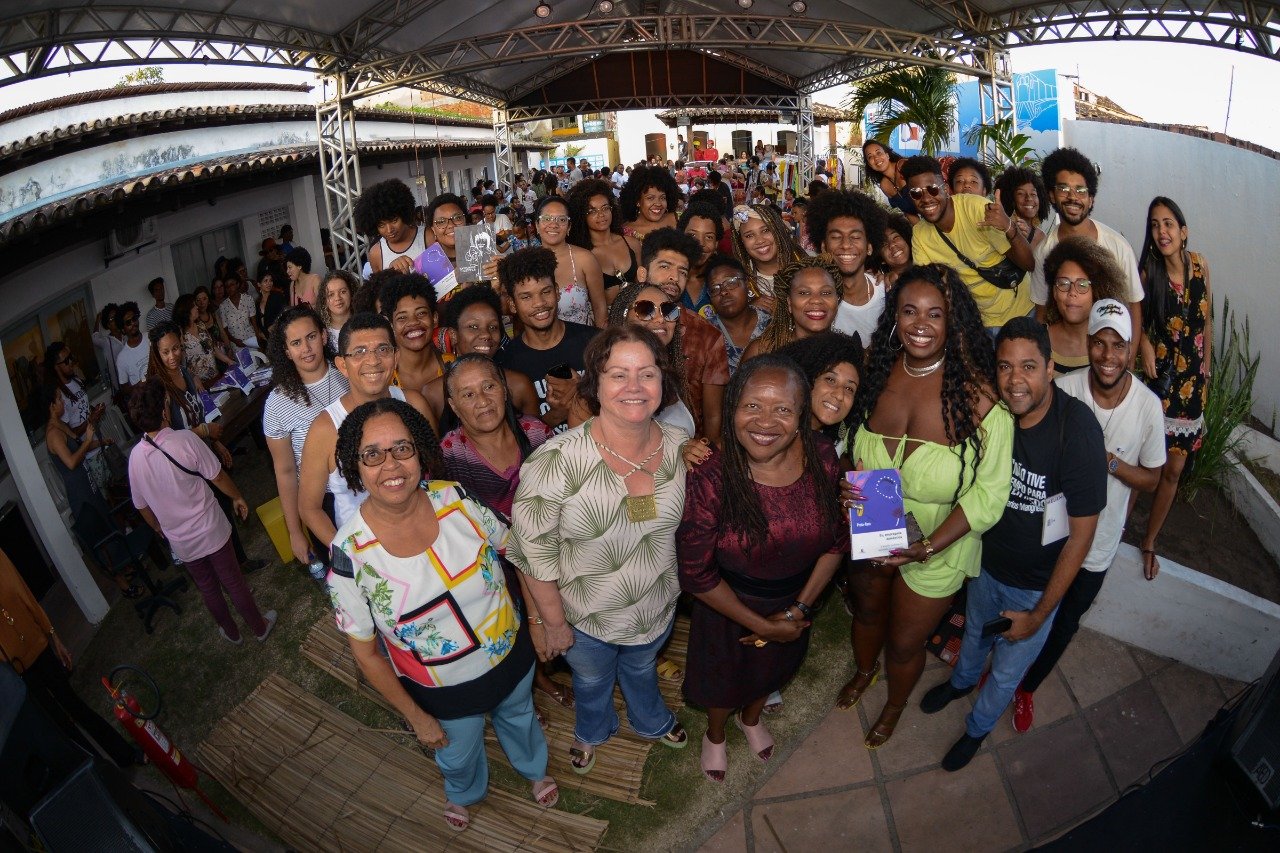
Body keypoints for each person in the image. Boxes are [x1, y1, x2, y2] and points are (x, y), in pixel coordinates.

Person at [326, 397, 556, 830]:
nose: (391, 465)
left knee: (519, 715)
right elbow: (367, 654)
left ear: (420, 452)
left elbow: (518, 553)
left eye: (402, 448)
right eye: (372, 454)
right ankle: (464, 791)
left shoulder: (456, 499)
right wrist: (415, 717)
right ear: (354, 466)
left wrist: (540, 622)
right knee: (456, 748)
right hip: (440, 689)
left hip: (511, 654)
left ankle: (533, 767)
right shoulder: (349, 556)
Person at [838, 263, 1013, 749]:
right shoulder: (874, 370)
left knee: (905, 640)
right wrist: (845, 480)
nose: (920, 323)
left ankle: (894, 704)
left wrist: (928, 546)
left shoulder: (981, 398)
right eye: (909, 310)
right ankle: (863, 670)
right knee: (868, 615)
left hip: (939, 544)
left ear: (953, 322)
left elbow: (989, 495)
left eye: (935, 314)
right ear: (894, 316)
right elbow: (846, 438)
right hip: (872, 523)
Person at [919, 318, 1106, 769]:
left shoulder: (1077, 431)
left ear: (1050, 368)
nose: (1015, 380)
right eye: (1005, 367)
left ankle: (977, 729)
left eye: (1027, 367)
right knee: (974, 637)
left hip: (1035, 589)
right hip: (986, 566)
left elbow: (1081, 536)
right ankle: (961, 682)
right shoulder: (996, 414)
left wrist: (1040, 614)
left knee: (1005, 674)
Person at [509, 326, 690, 775]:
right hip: (583, 619)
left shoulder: (682, 451)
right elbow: (533, 552)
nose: (633, 387)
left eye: (646, 374)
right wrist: (553, 624)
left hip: (656, 606)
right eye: (618, 374)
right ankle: (593, 729)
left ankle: (650, 719)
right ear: (595, 381)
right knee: (592, 682)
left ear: (662, 383)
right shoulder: (553, 463)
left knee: (643, 669)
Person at [677, 355, 844, 782]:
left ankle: (751, 719)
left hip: (796, 603)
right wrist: (763, 626)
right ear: (731, 407)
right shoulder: (711, 477)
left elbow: (836, 541)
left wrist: (799, 612)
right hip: (726, 606)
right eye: (752, 405)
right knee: (723, 680)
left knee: (774, 670)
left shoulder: (824, 457)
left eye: (783, 409)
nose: (765, 421)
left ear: (802, 415)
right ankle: (715, 733)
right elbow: (695, 574)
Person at [1016, 299, 1165, 730]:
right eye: (1099, 344)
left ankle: (1028, 688)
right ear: (1088, 344)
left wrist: (1107, 462)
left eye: (1118, 346)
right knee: (1032, 603)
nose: (1107, 356)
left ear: (1131, 350)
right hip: (1052, 530)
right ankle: (1008, 672)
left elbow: (1154, 480)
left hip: (1098, 544)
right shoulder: (1067, 388)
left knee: (1065, 621)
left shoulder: (1148, 407)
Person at [438, 354, 569, 708]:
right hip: (494, 570)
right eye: (467, 395)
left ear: (505, 390)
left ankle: (556, 658)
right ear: (453, 405)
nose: (481, 401)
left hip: (551, 553)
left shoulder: (537, 435)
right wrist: (534, 615)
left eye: (489, 386)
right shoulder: (450, 458)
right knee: (514, 632)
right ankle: (535, 679)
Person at [128, 378, 276, 644]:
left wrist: (158, 528)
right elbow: (217, 477)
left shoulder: (135, 459)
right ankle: (259, 626)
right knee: (232, 580)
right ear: (163, 409)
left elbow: (141, 506)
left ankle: (232, 633)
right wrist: (237, 496)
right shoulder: (184, 440)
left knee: (208, 588)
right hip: (210, 528)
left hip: (182, 541)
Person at [298, 312, 436, 549]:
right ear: (342, 364)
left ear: (396, 356)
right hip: (366, 550)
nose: (373, 361)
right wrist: (348, 557)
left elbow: (435, 470)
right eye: (359, 352)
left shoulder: (414, 405)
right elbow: (309, 508)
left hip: (425, 533)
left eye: (382, 349)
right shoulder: (325, 429)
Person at [0, 547, 139, 768]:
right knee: (58, 723)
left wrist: (53, 636)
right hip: (13, 671)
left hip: (38, 646)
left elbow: (24, 594)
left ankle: (125, 754)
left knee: (74, 703)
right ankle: (96, 770)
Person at [146, 322, 265, 574]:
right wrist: (204, 433)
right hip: (186, 466)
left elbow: (197, 416)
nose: (172, 356)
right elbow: (166, 439)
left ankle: (238, 562)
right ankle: (230, 567)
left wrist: (214, 441)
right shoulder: (160, 390)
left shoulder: (186, 373)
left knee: (223, 507)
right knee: (215, 513)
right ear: (156, 354)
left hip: (203, 453)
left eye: (176, 348)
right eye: (165, 352)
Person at [1137, 197, 1212, 583]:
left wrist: (1208, 370)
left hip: (1192, 386)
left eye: (1168, 223)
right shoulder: (1148, 274)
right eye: (1154, 225)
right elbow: (1134, 319)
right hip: (1160, 384)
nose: (1161, 231)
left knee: (1174, 469)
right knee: (1143, 461)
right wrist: (1144, 344)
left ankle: (1149, 540)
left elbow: (1206, 321)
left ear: (1183, 231)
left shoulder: (1200, 265)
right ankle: (1113, 531)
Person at [903, 155, 1034, 332]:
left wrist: (1010, 228)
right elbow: (929, 286)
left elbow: (1029, 264)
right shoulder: (920, 235)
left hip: (1020, 312)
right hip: (980, 324)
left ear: (945, 188)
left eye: (932, 189)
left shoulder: (976, 208)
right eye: (916, 193)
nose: (926, 199)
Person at [1030, 147, 1144, 348]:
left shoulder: (1118, 246)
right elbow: (1041, 311)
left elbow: (1133, 305)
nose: (1073, 197)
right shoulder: (1044, 252)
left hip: (1108, 358)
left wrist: (1129, 359)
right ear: (1051, 195)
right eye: (1063, 189)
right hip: (1063, 354)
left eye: (1081, 190)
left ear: (1091, 199)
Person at [263, 306, 350, 566]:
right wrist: (295, 531)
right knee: (344, 572)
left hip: (368, 487)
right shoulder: (277, 404)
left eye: (311, 337)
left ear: (324, 336)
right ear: (287, 351)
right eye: (296, 343)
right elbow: (286, 472)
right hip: (321, 504)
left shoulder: (349, 374)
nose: (306, 348)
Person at [633, 229, 729, 442]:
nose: (674, 278)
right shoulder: (618, 326)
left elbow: (714, 419)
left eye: (683, 271)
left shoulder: (707, 336)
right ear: (642, 274)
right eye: (665, 266)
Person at [494, 247, 599, 432]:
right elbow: (516, 441)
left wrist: (583, 396)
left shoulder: (596, 343)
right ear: (512, 304)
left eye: (546, 291)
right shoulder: (506, 365)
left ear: (557, 292)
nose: (539, 303)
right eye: (526, 297)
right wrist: (558, 413)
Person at [43, 390, 136, 598]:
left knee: (107, 521)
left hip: (89, 484)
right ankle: (122, 583)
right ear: (50, 405)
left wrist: (101, 442)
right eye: (58, 399)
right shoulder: (53, 434)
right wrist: (88, 440)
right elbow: (71, 461)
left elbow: (80, 447)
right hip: (80, 493)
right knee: (99, 534)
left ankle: (125, 567)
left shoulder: (61, 425)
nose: (62, 402)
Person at [433, 285, 540, 418]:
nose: (486, 335)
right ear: (454, 335)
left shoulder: (519, 385)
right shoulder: (434, 394)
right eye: (473, 327)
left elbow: (538, 435)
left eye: (493, 327)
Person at [607, 282, 697, 438]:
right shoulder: (604, 380)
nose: (660, 319)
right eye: (646, 310)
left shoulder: (673, 375)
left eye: (668, 310)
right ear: (623, 316)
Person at [807, 189, 888, 348]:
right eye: (836, 237)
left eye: (856, 237)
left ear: (869, 247)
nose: (845, 245)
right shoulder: (813, 303)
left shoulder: (888, 294)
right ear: (823, 247)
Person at [1042, 236, 1128, 374]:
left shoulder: (1109, 351)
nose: (1072, 293)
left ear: (1097, 292)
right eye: (1063, 283)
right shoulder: (1037, 341)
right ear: (1054, 292)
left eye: (1082, 285)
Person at [775, 331, 864, 461]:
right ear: (807, 379)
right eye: (830, 380)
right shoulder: (775, 430)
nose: (840, 395)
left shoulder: (835, 447)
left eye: (849, 388)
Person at [741, 256, 842, 361]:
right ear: (789, 302)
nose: (816, 300)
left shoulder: (851, 352)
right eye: (804, 293)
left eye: (826, 293)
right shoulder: (762, 351)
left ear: (837, 300)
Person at [379, 273, 448, 420]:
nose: (413, 322)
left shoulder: (454, 367)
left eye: (421, 313)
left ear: (434, 318)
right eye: (402, 317)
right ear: (391, 325)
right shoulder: (381, 379)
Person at [534, 196, 607, 328]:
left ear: (569, 227)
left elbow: (600, 308)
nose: (553, 224)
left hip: (583, 343)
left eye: (561, 220)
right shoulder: (525, 263)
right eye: (546, 219)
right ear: (537, 226)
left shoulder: (585, 259)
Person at [566, 178, 642, 305]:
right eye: (592, 211)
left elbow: (642, 285)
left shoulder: (632, 244)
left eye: (605, 208)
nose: (601, 214)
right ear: (581, 215)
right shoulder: (580, 254)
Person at [44, 341, 108, 490]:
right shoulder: (59, 396)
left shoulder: (76, 381)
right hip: (86, 453)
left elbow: (83, 408)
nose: (71, 362)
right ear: (56, 367)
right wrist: (90, 420)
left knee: (113, 487)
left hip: (97, 442)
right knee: (103, 496)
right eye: (66, 361)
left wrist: (95, 411)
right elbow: (71, 433)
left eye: (71, 357)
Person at [729, 204, 805, 315]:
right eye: (749, 236)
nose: (760, 240)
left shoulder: (808, 264)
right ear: (741, 242)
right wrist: (749, 312)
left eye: (765, 230)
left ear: (777, 231)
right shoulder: (739, 283)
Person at [703, 254, 770, 375]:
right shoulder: (704, 332)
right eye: (714, 288)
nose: (723, 292)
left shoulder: (772, 325)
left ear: (748, 284)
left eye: (731, 282)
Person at [355, 178, 427, 274]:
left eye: (394, 220)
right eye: (381, 225)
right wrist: (391, 274)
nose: (389, 230)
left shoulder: (427, 236)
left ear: (404, 215)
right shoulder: (376, 253)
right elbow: (380, 287)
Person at [677, 201, 724, 315]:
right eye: (692, 235)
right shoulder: (666, 277)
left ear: (716, 244)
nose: (700, 243)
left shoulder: (723, 281)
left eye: (709, 237)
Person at [174, 292, 233, 382]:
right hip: (199, 385)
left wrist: (228, 360)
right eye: (194, 306)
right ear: (186, 310)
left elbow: (212, 347)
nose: (197, 307)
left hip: (215, 377)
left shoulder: (200, 325)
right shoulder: (180, 333)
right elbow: (182, 364)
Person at [994, 166, 1049, 250]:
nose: (1029, 198)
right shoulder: (1001, 231)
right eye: (1021, 193)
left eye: (1033, 194)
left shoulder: (1042, 236)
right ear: (1011, 199)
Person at [619, 165, 681, 239]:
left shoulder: (680, 219)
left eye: (662, 198)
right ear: (637, 200)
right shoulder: (625, 233)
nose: (658, 203)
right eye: (650, 198)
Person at [862, 140, 917, 222]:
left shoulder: (904, 166)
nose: (876, 158)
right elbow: (910, 214)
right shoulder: (885, 186)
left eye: (879, 153)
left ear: (887, 155)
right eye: (870, 157)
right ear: (869, 165)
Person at [115, 301, 150, 392]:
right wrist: (141, 384)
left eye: (134, 319)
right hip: (146, 402)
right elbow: (125, 388)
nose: (133, 324)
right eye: (128, 323)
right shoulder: (121, 358)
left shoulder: (151, 337)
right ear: (123, 329)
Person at [318, 269, 356, 351]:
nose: (338, 298)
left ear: (351, 293)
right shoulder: (320, 331)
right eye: (331, 295)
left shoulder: (364, 322)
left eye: (343, 292)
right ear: (324, 300)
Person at [218, 276, 261, 349]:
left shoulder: (248, 299)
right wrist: (234, 340)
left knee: (255, 359)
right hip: (236, 343)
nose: (229, 288)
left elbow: (254, 322)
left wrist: (258, 338)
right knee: (242, 360)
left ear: (237, 284)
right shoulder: (223, 306)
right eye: (227, 286)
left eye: (231, 285)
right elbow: (225, 328)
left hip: (251, 338)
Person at [876, 211, 913, 289]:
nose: (892, 245)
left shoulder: (931, 268)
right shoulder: (881, 286)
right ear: (881, 258)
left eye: (896, 237)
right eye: (884, 244)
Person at [255, 266, 288, 340]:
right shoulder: (257, 302)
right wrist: (260, 333)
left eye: (270, 280)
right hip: (265, 338)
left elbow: (285, 314)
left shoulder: (277, 297)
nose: (269, 283)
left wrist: (274, 325)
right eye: (265, 281)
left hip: (278, 335)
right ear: (259, 284)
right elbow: (258, 321)